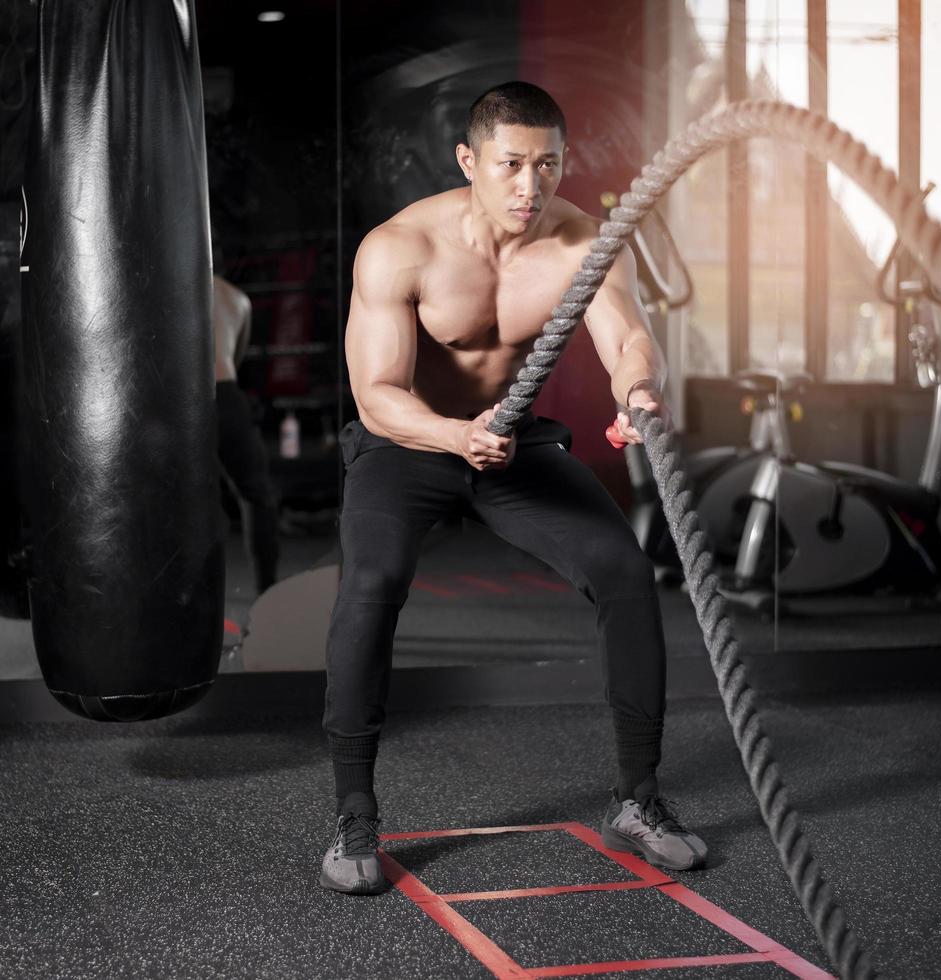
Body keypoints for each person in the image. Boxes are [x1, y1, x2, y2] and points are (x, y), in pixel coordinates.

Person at [319, 81, 707, 895]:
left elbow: (629, 337)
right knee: (372, 582)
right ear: (470, 161)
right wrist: (457, 436)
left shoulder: (582, 244)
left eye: (548, 165)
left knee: (626, 573)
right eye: (511, 166)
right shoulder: (400, 248)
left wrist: (637, 394)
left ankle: (638, 800)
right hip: (410, 442)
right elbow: (377, 396)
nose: (531, 188)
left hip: (514, 444)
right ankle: (354, 812)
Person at [213, 271, 280, 594]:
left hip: (183, 402)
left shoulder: (168, 285)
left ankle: (192, 603)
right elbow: (235, 360)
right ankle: (267, 592)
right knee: (257, 496)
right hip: (228, 396)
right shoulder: (236, 297)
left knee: (190, 503)